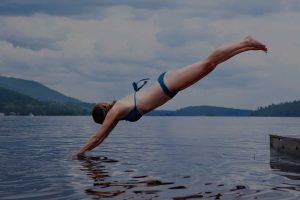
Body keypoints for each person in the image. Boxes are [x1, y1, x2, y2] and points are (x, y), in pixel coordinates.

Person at [75, 36, 267, 157]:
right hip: (169, 87)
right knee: (210, 65)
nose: (104, 126)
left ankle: (245, 42)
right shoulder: (117, 113)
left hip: (167, 84)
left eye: (102, 123)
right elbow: (101, 138)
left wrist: (77, 154)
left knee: (208, 63)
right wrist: (85, 153)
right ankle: (246, 46)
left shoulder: (116, 110)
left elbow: (96, 137)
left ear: (103, 117)